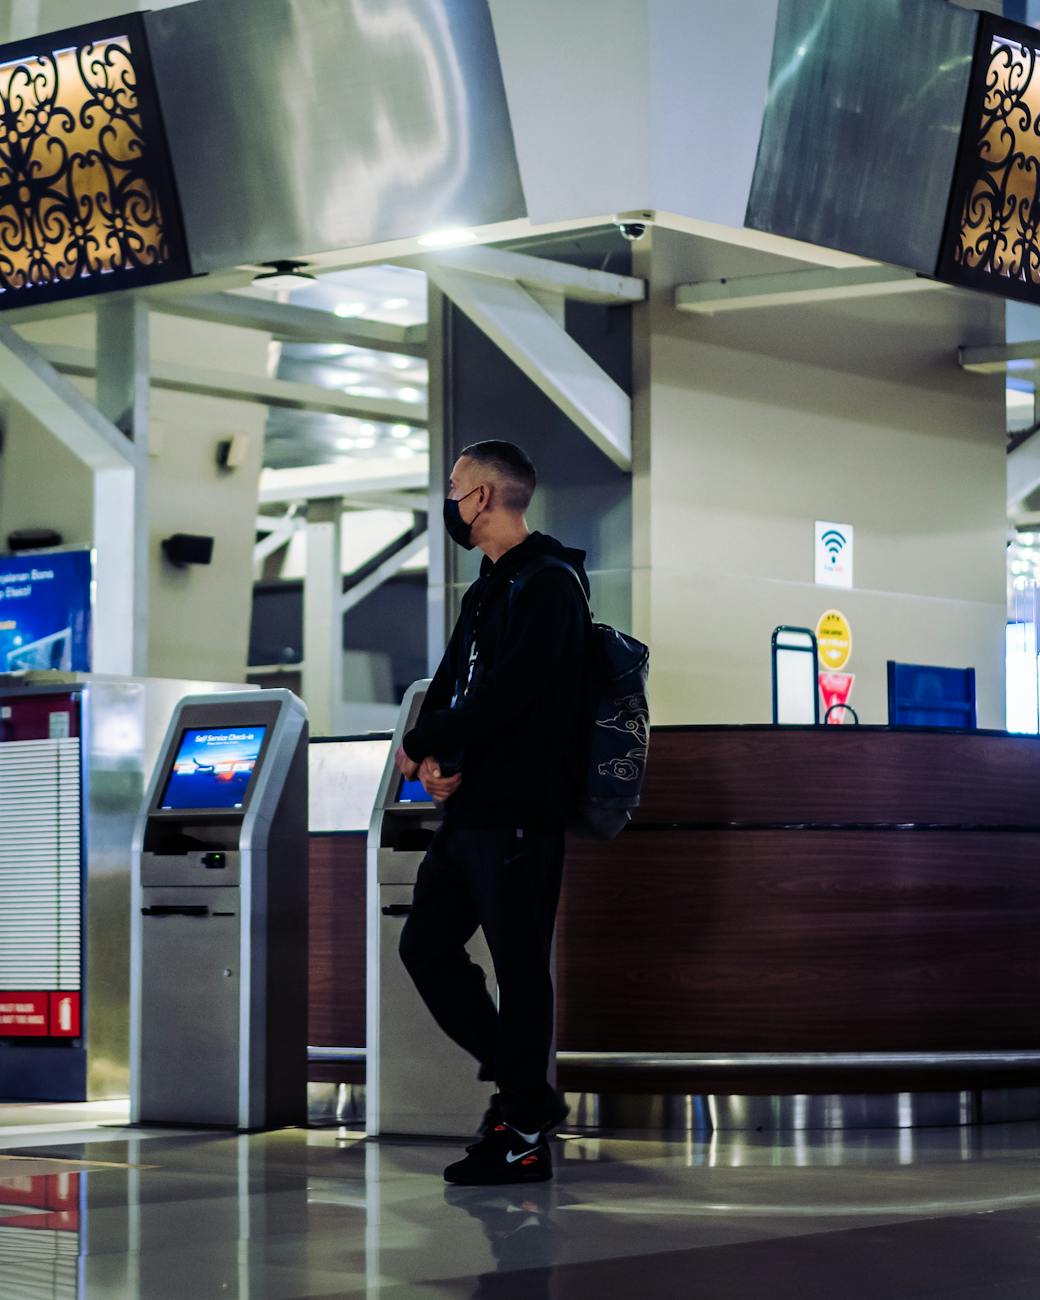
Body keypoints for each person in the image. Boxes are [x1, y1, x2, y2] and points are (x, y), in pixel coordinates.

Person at [395, 440, 589, 1186]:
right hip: (473, 811)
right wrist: (439, 758)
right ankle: (529, 1096)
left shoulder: (551, 584)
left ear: (482, 497)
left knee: (519, 969)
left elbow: (514, 694)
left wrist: (425, 740)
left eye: (454, 488)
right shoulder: (487, 587)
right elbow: (454, 684)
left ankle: (520, 1131)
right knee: (426, 948)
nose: (448, 500)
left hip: (521, 813)